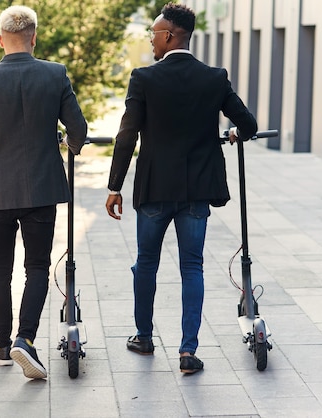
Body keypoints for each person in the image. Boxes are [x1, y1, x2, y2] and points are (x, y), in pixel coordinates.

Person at [105, 3, 257, 374]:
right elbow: (248, 124)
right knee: (193, 267)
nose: (151, 40)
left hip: (155, 189)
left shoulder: (144, 78)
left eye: (154, 34)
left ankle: (143, 336)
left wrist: (114, 187)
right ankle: (188, 352)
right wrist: (235, 134)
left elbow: (126, 137)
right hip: (195, 193)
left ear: (169, 35)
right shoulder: (214, 77)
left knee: (146, 263)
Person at [0, 5, 87, 379]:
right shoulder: (55, 74)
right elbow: (78, 132)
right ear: (34, 38)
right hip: (42, 186)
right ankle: (25, 340)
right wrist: (62, 143)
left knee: (0, 268)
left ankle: (2, 345)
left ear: (1, 39)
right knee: (37, 267)